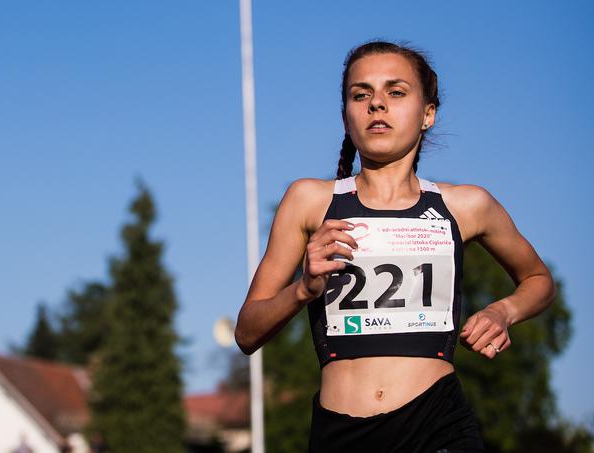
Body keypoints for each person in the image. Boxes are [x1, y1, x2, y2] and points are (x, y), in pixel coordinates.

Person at [234, 40, 556, 453]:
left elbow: (538, 279)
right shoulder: (308, 200)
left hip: (438, 426)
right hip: (341, 434)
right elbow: (246, 332)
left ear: (428, 114)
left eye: (396, 92)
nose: (377, 105)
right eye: (361, 94)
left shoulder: (467, 205)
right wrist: (303, 289)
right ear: (346, 115)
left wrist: (504, 311)